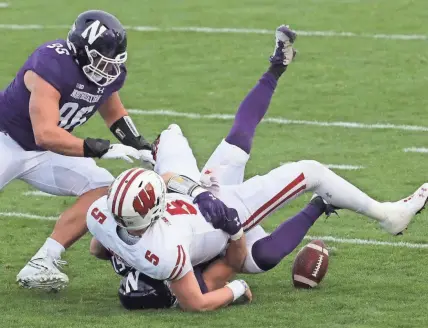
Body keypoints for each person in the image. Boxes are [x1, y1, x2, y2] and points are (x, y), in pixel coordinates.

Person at [88, 25, 428, 310]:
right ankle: (387, 216)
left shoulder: (114, 224)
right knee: (302, 184)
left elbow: (106, 241)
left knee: (178, 137)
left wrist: (193, 190)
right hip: (219, 218)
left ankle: (277, 67)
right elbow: (217, 280)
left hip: (195, 201)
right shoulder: (166, 258)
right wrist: (233, 238)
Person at [0, 9, 154, 291]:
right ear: (80, 51)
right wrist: (97, 149)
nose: (108, 71)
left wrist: (138, 142)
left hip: (43, 152)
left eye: (113, 64)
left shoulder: (107, 75)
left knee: (104, 188)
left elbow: (112, 109)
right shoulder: (50, 63)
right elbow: (45, 133)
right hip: (6, 140)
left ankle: (43, 261)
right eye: (102, 62)